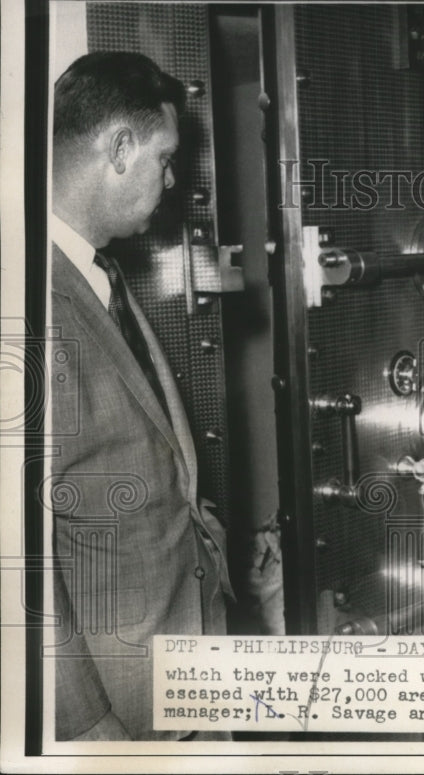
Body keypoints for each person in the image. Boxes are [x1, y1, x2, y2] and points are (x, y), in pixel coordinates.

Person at [49, 52, 232, 740]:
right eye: (165, 157)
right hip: (119, 705)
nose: (172, 178)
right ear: (119, 148)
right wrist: (85, 719)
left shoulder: (99, 274)